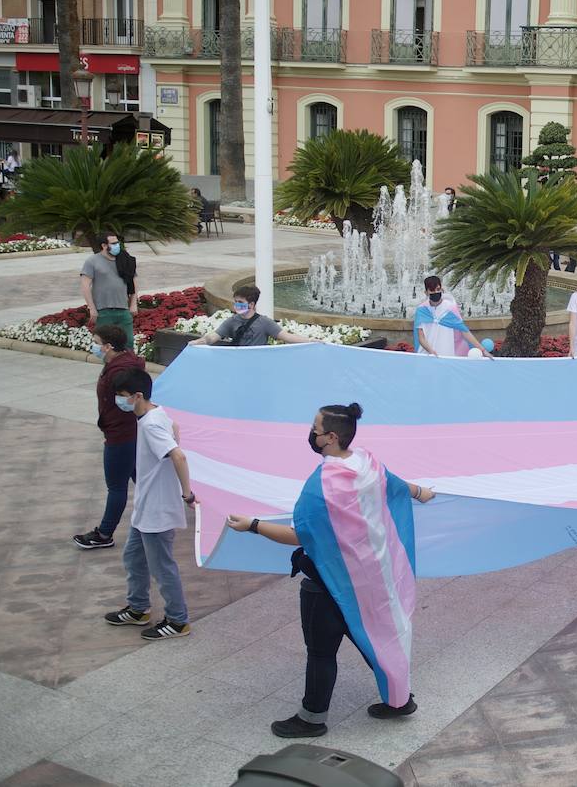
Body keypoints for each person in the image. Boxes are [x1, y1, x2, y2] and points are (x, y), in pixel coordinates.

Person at [226, 402, 434, 738]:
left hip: (328, 581)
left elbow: (300, 535)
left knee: (321, 652)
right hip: (370, 577)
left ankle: (311, 720)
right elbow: (396, 486)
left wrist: (253, 525)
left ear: (331, 437)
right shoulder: (367, 461)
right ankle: (400, 700)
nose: (311, 433)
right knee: (375, 638)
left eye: (316, 428)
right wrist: (422, 493)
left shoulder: (322, 485)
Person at [102, 368, 194, 640]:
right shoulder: (156, 413)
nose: (119, 400)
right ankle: (138, 608)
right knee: (133, 557)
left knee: (162, 566)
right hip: (146, 507)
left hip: (157, 510)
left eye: (123, 395)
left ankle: (178, 621)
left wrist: (187, 494)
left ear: (138, 396)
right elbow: (175, 428)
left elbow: (179, 456)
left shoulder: (151, 424)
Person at [73, 324, 146, 550]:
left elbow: (129, 401)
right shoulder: (124, 363)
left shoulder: (119, 371)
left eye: (96, 343)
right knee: (144, 481)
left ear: (108, 346)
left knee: (116, 487)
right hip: (129, 432)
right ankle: (162, 513)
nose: (93, 346)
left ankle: (104, 534)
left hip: (121, 434)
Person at [189, 285, 311, 347]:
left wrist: (311, 341)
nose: (237, 305)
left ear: (251, 304)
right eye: (235, 302)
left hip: (258, 365)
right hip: (238, 364)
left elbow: (287, 337)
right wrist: (200, 341)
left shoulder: (264, 322)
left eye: (240, 302)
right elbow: (213, 337)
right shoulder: (231, 321)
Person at [414, 276, 490, 357]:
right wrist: (431, 351)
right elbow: (421, 337)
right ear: (426, 292)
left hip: (446, 353)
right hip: (427, 355)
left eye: (438, 289)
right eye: (432, 290)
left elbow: (464, 331)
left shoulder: (450, 308)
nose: (436, 292)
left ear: (442, 290)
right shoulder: (421, 310)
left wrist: (483, 350)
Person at [80, 232, 137, 341]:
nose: (117, 245)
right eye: (113, 243)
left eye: (117, 242)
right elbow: (85, 285)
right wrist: (92, 308)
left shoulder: (125, 260)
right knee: (105, 343)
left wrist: (133, 304)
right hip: (103, 311)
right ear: (104, 245)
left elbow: (133, 281)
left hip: (123, 310)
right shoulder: (92, 261)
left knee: (128, 342)